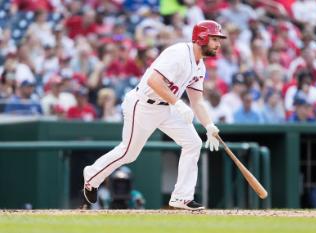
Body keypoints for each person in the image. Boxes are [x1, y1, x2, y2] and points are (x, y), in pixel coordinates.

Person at [83, 20, 226, 210]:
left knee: (193, 143)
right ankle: (92, 176)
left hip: (166, 107)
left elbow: (197, 101)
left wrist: (209, 125)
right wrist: (178, 103)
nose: (218, 44)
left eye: (218, 39)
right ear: (201, 38)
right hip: (142, 104)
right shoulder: (178, 53)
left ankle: (182, 197)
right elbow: (153, 81)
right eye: (214, 39)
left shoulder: (200, 66)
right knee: (128, 153)